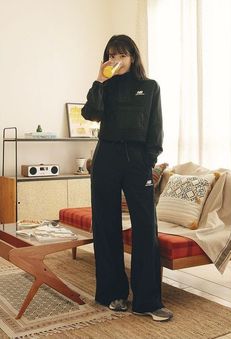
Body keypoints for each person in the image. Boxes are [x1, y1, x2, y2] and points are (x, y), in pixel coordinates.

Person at [81, 34, 173, 321]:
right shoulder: (105, 88)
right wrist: (99, 79)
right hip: (106, 158)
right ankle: (113, 294)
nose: (117, 60)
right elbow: (90, 113)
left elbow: (155, 129)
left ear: (132, 57)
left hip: (137, 162)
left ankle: (147, 301)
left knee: (146, 227)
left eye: (122, 54)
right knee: (106, 226)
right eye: (112, 55)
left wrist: (149, 160)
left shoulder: (150, 87)